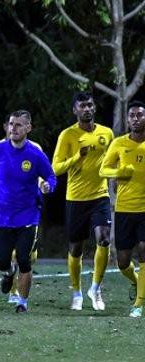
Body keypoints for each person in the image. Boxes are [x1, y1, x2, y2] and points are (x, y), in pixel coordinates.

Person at [0, 110, 56, 313]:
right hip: (2, 216)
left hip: (28, 216)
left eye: (18, 125)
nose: (13, 128)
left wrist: (48, 186)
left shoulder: (35, 154)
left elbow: (51, 176)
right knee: (1, 261)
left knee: (24, 259)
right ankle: (8, 273)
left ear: (28, 128)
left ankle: (22, 302)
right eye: (11, 124)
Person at [52, 92, 114, 311]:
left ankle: (95, 289)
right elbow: (55, 168)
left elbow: (113, 160)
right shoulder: (67, 135)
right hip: (76, 198)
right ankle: (77, 292)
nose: (86, 109)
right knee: (76, 248)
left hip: (100, 196)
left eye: (89, 105)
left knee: (104, 239)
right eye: (82, 106)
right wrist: (77, 157)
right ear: (75, 110)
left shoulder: (107, 133)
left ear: (94, 108)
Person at [99, 100, 145, 317]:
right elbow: (103, 170)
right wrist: (120, 173)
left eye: (140, 115)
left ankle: (139, 304)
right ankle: (136, 282)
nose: (136, 119)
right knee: (123, 261)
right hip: (125, 208)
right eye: (132, 116)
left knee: (144, 250)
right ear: (127, 119)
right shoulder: (118, 143)